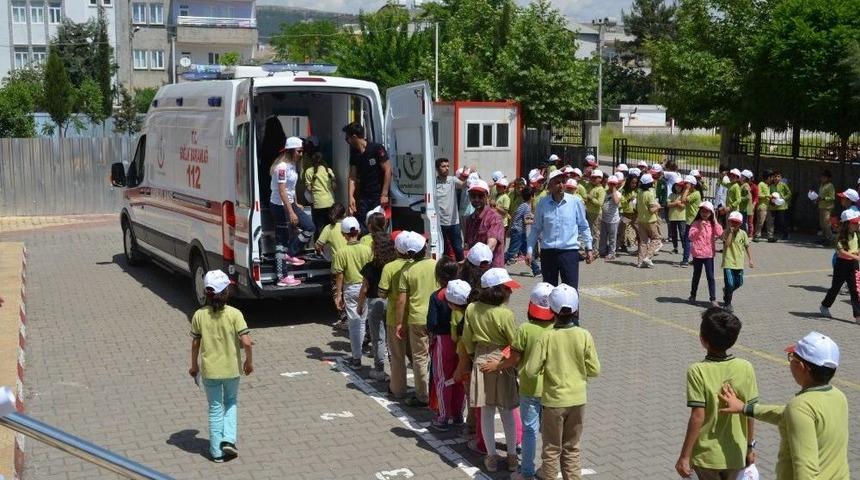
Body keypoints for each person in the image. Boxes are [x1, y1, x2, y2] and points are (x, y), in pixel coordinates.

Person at [719, 332, 849, 480]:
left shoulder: (800, 407)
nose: (790, 361)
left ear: (801, 366)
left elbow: (805, 471)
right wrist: (745, 408)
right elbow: (787, 414)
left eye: (792, 357)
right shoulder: (838, 396)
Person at [523, 284, 600, 480]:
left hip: (553, 401)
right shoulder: (584, 335)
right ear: (576, 310)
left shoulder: (547, 337)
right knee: (572, 448)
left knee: (551, 449)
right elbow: (595, 369)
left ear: (551, 310)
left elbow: (531, 371)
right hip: (578, 399)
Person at [481, 282, 556, 480]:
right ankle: (549, 471)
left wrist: (496, 366)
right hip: (554, 389)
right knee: (550, 433)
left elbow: (514, 358)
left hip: (530, 389)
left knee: (530, 431)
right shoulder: (558, 329)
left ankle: (527, 471)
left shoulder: (525, 329)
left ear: (531, 306)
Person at [675, 307, 757, 480]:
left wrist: (684, 456)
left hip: (707, 457)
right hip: (736, 453)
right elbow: (750, 412)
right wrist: (750, 447)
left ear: (703, 339)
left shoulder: (697, 371)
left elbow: (698, 416)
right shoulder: (746, 367)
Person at [456, 268, 521, 473]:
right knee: (507, 410)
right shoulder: (505, 314)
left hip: (481, 359)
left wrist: (473, 356)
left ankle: (491, 457)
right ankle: (511, 457)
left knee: (486, 410)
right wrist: (505, 359)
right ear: (497, 291)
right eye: (506, 289)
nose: (510, 293)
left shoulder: (472, 309)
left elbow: (467, 339)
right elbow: (514, 343)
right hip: (502, 361)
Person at [188, 270, 253, 463]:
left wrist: (194, 366)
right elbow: (247, 342)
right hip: (231, 369)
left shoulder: (199, 315)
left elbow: (195, 344)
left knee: (215, 408)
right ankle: (228, 440)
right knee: (231, 402)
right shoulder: (235, 314)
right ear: (227, 291)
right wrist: (249, 362)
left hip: (210, 371)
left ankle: (216, 452)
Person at [527, 170, 594, 288]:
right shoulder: (542, 204)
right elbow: (535, 228)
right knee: (548, 291)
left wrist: (589, 247)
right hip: (548, 253)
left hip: (569, 252)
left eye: (563, 182)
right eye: (557, 183)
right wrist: (530, 250)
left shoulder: (575, 202)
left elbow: (584, 226)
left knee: (570, 291)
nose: (561, 185)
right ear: (550, 186)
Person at [395, 232, 438, 407]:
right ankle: (437, 392)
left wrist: (399, 323)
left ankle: (422, 395)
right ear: (425, 248)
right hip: (435, 317)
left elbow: (401, 300)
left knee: (420, 358)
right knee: (436, 356)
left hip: (416, 318)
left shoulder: (407, 271)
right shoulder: (436, 265)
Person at [426, 259, 466, 431]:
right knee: (459, 378)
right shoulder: (464, 292)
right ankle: (458, 414)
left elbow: (431, 323)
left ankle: (443, 417)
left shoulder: (437, 296)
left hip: (443, 341)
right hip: (462, 342)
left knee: (442, 379)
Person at [270, 136, 315, 287]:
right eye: (299, 151)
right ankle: (282, 276)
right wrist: (291, 212)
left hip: (289, 203)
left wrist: (296, 203)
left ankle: (290, 253)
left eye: (302, 151)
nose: (301, 154)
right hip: (279, 205)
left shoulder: (293, 165)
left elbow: (291, 188)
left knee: (310, 227)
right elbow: (282, 191)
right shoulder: (281, 167)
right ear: (290, 151)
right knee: (281, 240)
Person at [333, 217, 374, 368]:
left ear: (344, 234)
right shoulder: (367, 250)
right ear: (358, 231)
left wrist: (338, 295)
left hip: (351, 288)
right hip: (367, 287)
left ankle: (356, 358)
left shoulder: (341, 252)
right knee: (366, 321)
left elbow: (339, 275)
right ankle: (375, 355)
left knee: (355, 324)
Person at [358, 232, 397, 380]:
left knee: (378, 338)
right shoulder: (394, 266)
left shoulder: (370, 267)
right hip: (391, 302)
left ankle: (379, 369)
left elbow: (365, 288)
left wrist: (360, 305)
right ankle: (396, 368)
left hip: (374, 303)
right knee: (392, 339)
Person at [379, 232, 413, 400]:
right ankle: (424, 389)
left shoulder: (390, 267)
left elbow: (382, 293)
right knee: (418, 357)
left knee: (398, 356)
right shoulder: (418, 265)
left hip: (395, 317)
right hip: (414, 317)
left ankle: (398, 389)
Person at [344, 122, 392, 233]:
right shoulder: (355, 154)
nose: (346, 140)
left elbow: (388, 170)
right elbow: (352, 177)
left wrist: (384, 194)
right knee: (363, 225)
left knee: (378, 226)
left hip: (378, 196)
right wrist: (351, 196)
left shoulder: (376, 148)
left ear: (354, 137)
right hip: (364, 196)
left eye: (347, 138)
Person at [819, 209, 860, 322]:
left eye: (857, 222)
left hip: (853, 265)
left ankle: (858, 316)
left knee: (855, 290)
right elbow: (841, 252)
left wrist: (857, 254)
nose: (857, 224)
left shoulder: (856, 234)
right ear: (847, 224)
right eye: (854, 222)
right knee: (835, 288)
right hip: (842, 265)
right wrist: (856, 256)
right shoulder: (840, 236)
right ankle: (824, 306)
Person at [463, 180, 506, 267]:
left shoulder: (495, 218)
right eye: (473, 196)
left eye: (480, 196)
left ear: (487, 196)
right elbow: (467, 245)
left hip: (492, 269)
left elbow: (491, 245)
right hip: (474, 270)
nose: (476, 199)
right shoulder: (469, 219)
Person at [688, 202, 723, 307]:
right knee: (696, 276)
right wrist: (699, 228)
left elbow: (720, 234)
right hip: (698, 254)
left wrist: (715, 220)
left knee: (710, 277)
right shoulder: (696, 223)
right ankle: (693, 295)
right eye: (702, 211)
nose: (704, 213)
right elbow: (691, 237)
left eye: (707, 211)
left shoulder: (712, 224)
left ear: (711, 213)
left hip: (708, 255)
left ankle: (713, 299)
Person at [721, 211, 754, 312]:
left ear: (740, 224)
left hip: (739, 263)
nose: (734, 224)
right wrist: (730, 232)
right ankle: (727, 304)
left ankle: (726, 291)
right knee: (730, 284)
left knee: (739, 283)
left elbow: (747, 246)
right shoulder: (726, 232)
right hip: (728, 262)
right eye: (732, 222)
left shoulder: (743, 233)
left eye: (736, 222)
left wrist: (750, 259)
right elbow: (727, 244)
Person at [435, 158, 465, 261]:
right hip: (439, 223)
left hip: (453, 222)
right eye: (443, 166)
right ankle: (446, 270)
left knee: (458, 248)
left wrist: (467, 174)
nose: (446, 168)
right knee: (442, 249)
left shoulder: (452, 180)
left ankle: (462, 270)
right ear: (437, 168)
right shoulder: (433, 183)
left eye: (448, 166)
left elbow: (463, 185)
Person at [303, 151, 337, 241]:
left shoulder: (309, 171)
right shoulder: (329, 170)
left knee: (319, 226)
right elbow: (334, 187)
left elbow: (309, 189)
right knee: (329, 225)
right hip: (330, 202)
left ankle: (319, 248)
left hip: (318, 203)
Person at [635, 173, 662, 268]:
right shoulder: (649, 194)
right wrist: (658, 206)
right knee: (656, 240)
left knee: (643, 241)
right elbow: (651, 210)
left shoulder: (639, 192)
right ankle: (648, 257)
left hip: (641, 219)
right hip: (650, 221)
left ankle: (640, 262)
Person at [506, 187, 534, 266]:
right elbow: (526, 221)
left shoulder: (522, 205)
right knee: (511, 252)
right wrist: (535, 221)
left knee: (526, 251)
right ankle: (498, 265)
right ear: (532, 196)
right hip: (518, 231)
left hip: (518, 230)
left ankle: (536, 270)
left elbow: (516, 215)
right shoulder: (527, 206)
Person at [680, 175, 703, 267]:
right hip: (691, 219)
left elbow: (683, 200)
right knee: (694, 241)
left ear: (692, 184)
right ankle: (695, 259)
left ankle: (685, 260)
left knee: (687, 240)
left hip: (692, 220)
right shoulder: (692, 192)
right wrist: (686, 190)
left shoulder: (696, 194)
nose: (685, 185)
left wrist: (686, 190)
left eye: (687, 184)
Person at [599, 175, 622, 260]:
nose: (611, 185)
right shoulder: (604, 192)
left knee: (612, 238)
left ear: (616, 184)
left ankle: (612, 253)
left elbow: (616, 202)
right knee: (603, 237)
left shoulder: (618, 193)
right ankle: (602, 251)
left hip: (613, 220)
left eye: (614, 184)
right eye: (610, 183)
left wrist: (613, 191)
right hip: (604, 218)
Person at [618, 171, 640, 254]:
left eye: (635, 183)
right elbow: (621, 201)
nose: (634, 185)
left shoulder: (637, 191)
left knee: (638, 230)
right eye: (632, 183)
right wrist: (628, 200)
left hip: (635, 214)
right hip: (626, 214)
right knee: (621, 229)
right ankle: (620, 245)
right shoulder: (623, 191)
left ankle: (640, 248)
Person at [584, 170, 606, 249]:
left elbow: (600, 203)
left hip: (596, 214)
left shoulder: (601, 190)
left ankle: (595, 249)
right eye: (592, 177)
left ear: (600, 179)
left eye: (595, 178)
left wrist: (591, 198)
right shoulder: (589, 185)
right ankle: (589, 248)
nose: (593, 179)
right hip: (588, 211)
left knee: (595, 232)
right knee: (588, 230)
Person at [667, 179, 688, 256]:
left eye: (680, 186)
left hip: (681, 217)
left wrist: (675, 203)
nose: (678, 187)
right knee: (673, 234)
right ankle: (675, 247)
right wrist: (676, 203)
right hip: (672, 217)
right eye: (676, 185)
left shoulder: (684, 195)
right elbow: (668, 204)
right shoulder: (671, 195)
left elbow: (683, 206)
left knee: (682, 233)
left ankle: (684, 248)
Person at [769, 171, 792, 241]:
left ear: (781, 178)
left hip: (781, 206)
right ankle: (772, 235)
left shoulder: (783, 185)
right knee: (773, 221)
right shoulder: (771, 185)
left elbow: (789, 193)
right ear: (773, 177)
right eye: (775, 176)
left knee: (781, 221)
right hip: (773, 206)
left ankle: (786, 234)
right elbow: (769, 194)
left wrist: (783, 198)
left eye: (778, 176)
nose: (776, 178)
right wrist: (771, 198)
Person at [815, 170, 835, 245]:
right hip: (821, 206)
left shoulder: (830, 186)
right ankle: (824, 238)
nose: (822, 178)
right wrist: (816, 198)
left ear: (828, 178)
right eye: (821, 177)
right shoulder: (821, 185)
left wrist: (823, 199)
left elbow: (832, 197)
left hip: (827, 207)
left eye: (824, 177)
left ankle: (830, 240)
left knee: (827, 224)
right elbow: (820, 195)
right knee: (821, 224)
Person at [753, 170, 772, 242]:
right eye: (771, 177)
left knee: (770, 222)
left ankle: (770, 236)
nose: (772, 179)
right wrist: (767, 196)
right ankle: (757, 235)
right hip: (761, 207)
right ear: (767, 177)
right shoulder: (761, 184)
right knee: (761, 222)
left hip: (768, 207)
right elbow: (758, 195)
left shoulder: (768, 186)